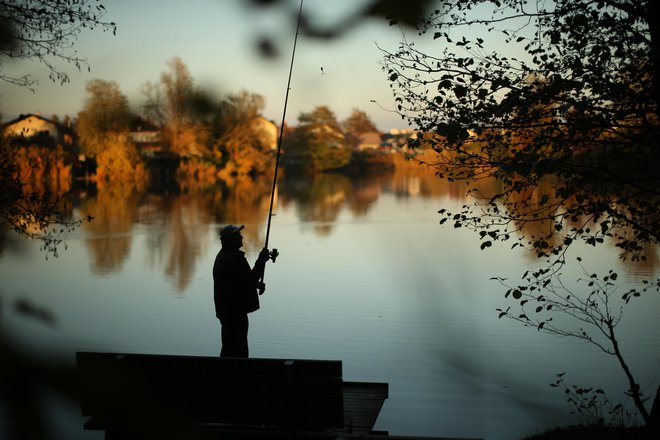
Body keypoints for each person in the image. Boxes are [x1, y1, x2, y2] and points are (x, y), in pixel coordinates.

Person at [213, 224, 270, 357]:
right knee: (238, 349)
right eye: (238, 235)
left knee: (229, 347)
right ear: (230, 239)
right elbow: (249, 279)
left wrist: (256, 284)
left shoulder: (225, 256)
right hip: (234, 311)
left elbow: (238, 281)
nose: (241, 237)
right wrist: (261, 260)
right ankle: (239, 375)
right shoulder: (232, 258)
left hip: (229, 310)